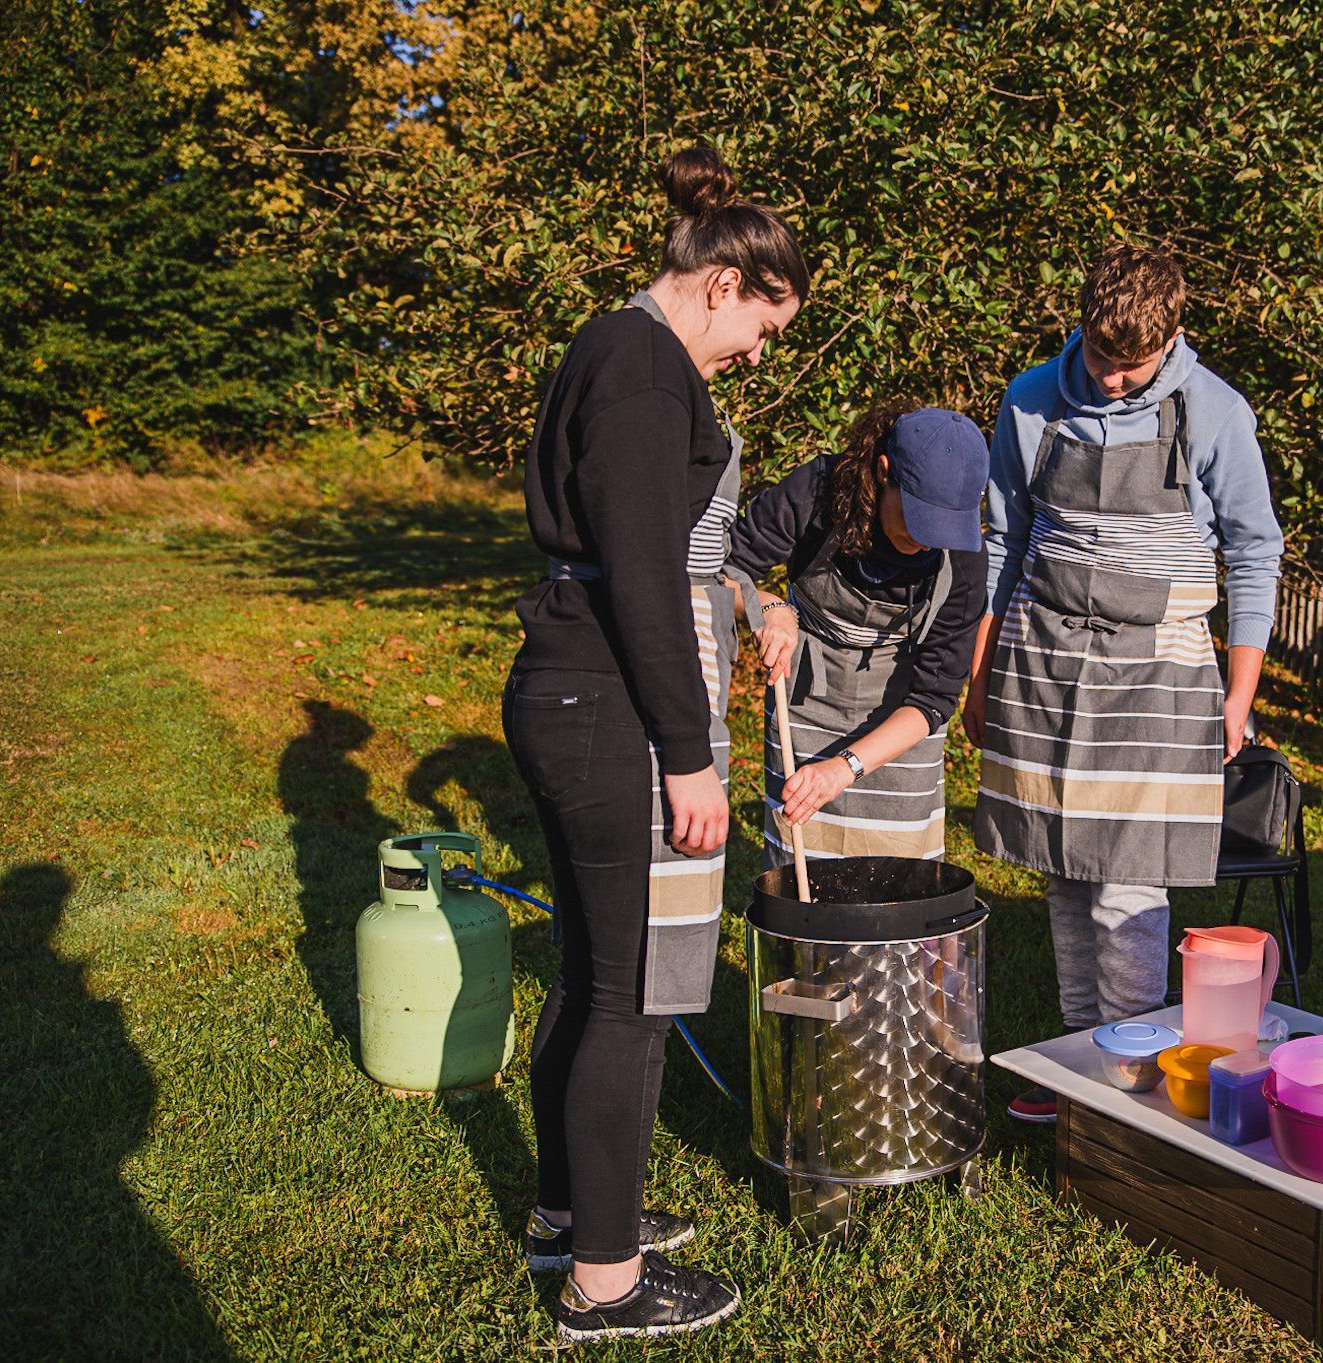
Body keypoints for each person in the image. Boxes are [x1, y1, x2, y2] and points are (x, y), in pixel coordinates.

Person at [501, 145, 807, 1343]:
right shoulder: (642, 370)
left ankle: (571, 1214)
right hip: (608, 703)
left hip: (574, 690)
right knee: (631, 994)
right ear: (724, 283)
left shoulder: (618, 348)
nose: (760, 352)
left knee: (590, 974)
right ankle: (607, 1283)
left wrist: (744, 603)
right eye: (765, 327)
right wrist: (688, 751)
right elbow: (638, 572)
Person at [965, 243, 1285, 1125]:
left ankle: (1133, 1072)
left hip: (1161, 666)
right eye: (1102, 357)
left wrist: (1239, 694)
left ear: (1173, 337)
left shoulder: (1216, 411)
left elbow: (1255, 553)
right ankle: (1080, 1060)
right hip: (1044, 657)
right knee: (1064, 869)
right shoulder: (1031, 399)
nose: (1111, 379)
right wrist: (981, 671)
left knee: (1130, 882)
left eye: (1132, 365)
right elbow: (1002, 539)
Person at [728, 403, 990, 866]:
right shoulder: (818, 493)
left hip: (901, 723)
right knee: (799, 867)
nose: (927, 541)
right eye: (918, 518)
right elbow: (723, 570)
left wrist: (845, 767)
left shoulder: (963, 558)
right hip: (807, 700)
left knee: (899, 877)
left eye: (943, 527)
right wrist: (767, 606)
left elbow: (935, 697)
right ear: (883, 471)